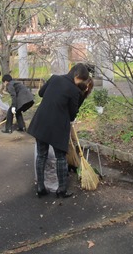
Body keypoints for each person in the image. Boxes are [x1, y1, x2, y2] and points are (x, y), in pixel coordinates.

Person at [28, 63, 90, 198]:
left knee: (41, 155)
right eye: (81, 80)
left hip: (41, 121)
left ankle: (40, 186)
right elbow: (73, 114)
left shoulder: (55, 78)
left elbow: (41, 93)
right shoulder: (74, 91)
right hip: (58, 126)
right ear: (77, 76)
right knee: (60, 157)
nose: (80, 83)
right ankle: (61, 190)